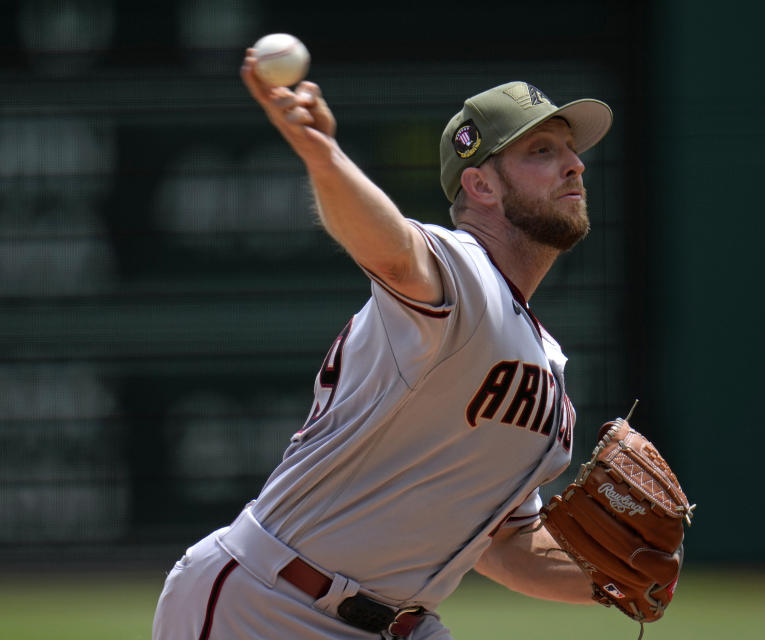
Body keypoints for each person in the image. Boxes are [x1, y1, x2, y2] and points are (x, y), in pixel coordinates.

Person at [151, 50, 614, 640]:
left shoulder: (546, 367)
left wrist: (618, 578)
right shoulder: (462, 271)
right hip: (268, 607)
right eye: (541, 151)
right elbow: (391, 250)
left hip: (400, 626)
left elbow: (504, 545)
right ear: (481, 185)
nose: (574, 165)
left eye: (571, 149)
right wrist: (323, 155)